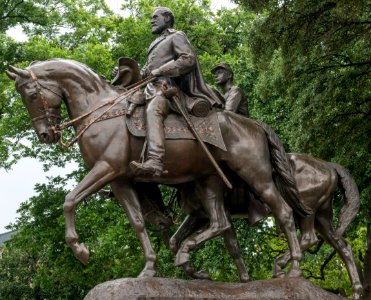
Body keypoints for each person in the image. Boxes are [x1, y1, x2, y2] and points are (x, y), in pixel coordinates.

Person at [130, 7, 223, 176]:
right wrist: (128, 72)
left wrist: (161, 70)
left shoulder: (176, 36)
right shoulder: (154, 44)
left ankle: (155, 161)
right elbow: (146, 72)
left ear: (166, 18)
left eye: (155, 17)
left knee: (154, 110)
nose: (151, 20)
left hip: (167, 89)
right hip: (150, 89)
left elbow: (188, 59)